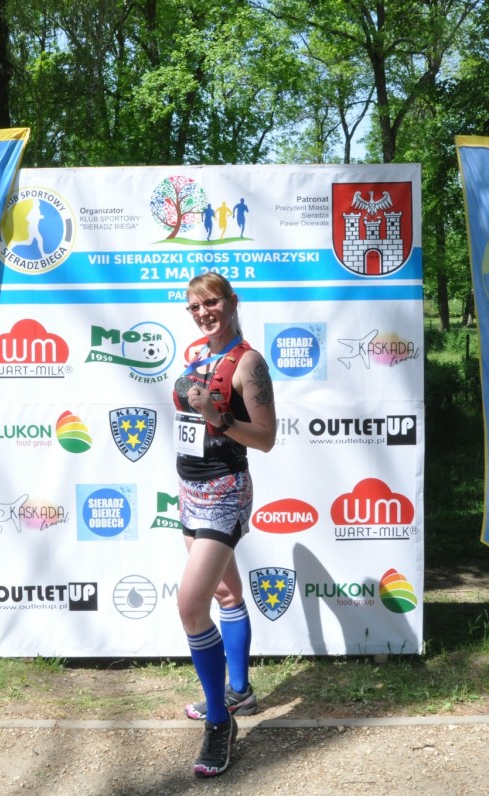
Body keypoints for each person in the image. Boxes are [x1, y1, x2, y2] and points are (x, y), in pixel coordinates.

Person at [172, 272, 276, 778]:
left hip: (224, 492)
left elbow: (267, 438)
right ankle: (240, 691)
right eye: (194, 307)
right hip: (190, 488)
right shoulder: (197, 353)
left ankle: (220, 722)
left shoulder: (249, 363)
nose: (203, 313)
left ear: (232, 302)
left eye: (210, 303)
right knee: (225, 594)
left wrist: (220, 417)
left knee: (191, 607)